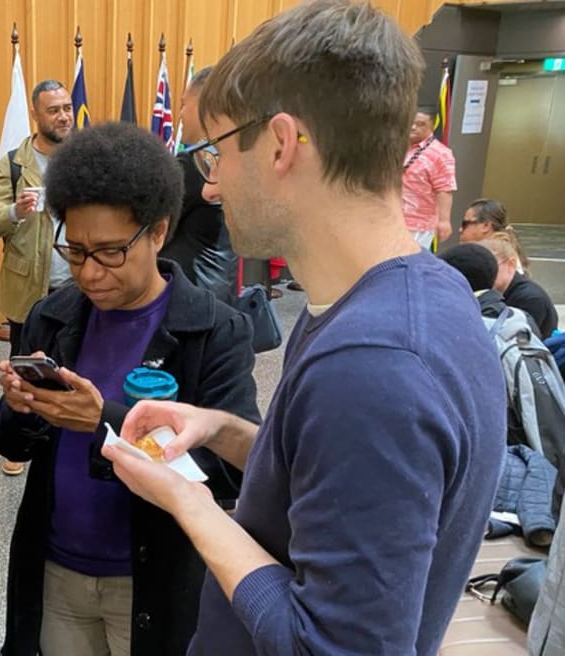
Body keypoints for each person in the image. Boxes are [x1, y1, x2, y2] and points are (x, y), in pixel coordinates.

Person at [101, 2, 505, 654]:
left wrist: (189, 503)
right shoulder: (415, 298)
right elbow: (336, 484)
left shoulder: (372, 365)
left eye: (217, 154)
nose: (209, 188)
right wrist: (228, 433)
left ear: (282, 143)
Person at [0, 121, 260, 656]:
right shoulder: (54, 315)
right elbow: (7, 442)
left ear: (158, 231)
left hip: (155, 573)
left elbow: (229, 470)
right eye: (76, 251)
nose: (89, 273)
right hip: (58, 568)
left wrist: (103, 420)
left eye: (110, 251)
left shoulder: (213, 330)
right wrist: (22, 407)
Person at [0, 80, 74, 475]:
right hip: (28, 288)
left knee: (76, 363)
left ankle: (69, 433)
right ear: (36, 114)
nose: (63, 115)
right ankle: (19, 440)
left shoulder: (86, 156)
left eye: (67, 107)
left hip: (77, 284)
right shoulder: (15, 163)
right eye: (54, 109)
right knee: (25, 367)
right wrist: (15, 212)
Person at [160, 66, 238, 305]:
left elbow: (146, 225)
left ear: (205, 106)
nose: (180, 113)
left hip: (190, 293)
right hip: (221, 285)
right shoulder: (235, 157)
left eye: (185, 104)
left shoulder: (195, 164)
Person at [478, 234, 558, 340]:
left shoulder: (530, 298)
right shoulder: (502, 290)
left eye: (492, 266)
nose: (486, 272)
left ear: (511, 264)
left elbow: (519, 341)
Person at [402, 105, 456, 250]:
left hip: (419, 223)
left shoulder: (441, 153)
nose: (413, 127)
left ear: (432, 126)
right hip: (392, 217)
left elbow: (445, 189)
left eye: (420, 124)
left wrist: (444, 221)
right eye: (411, 123)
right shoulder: (398, 146)